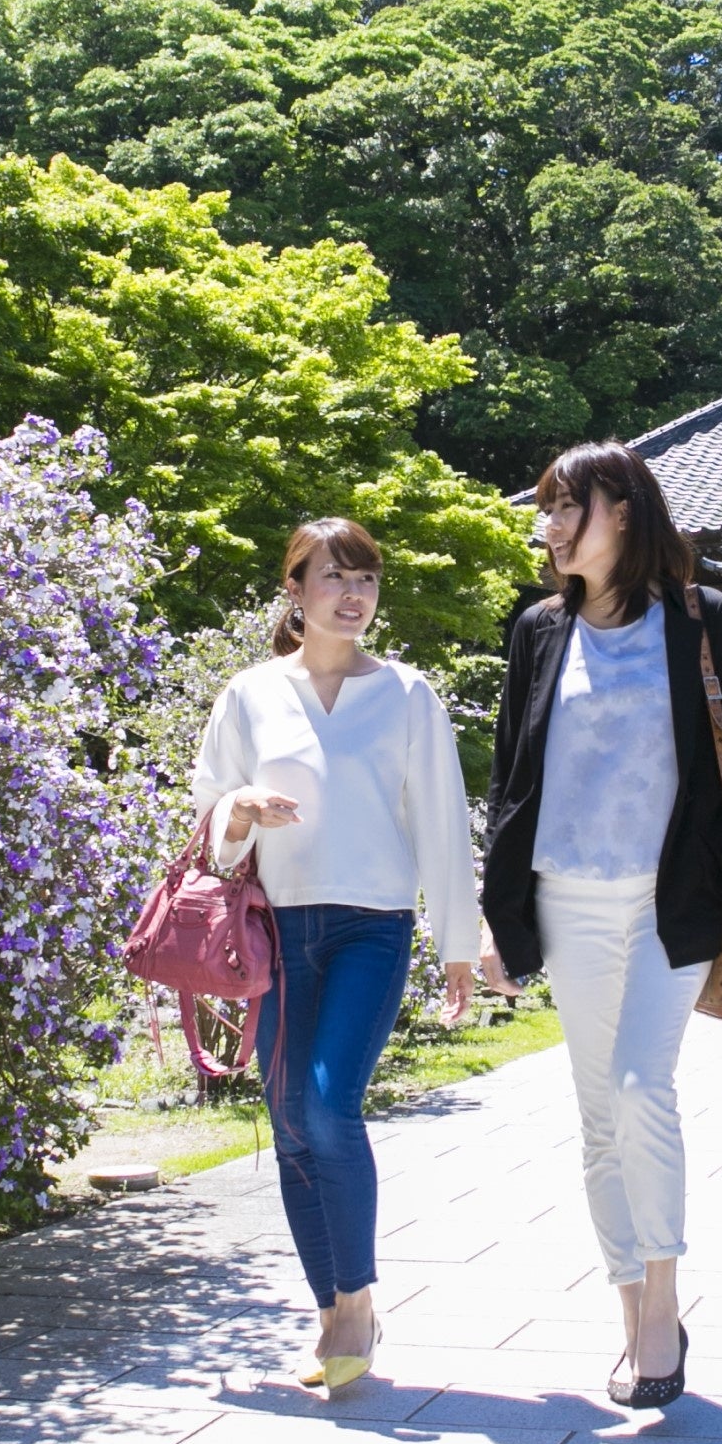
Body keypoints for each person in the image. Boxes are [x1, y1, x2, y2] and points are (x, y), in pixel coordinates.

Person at [481, 441, 722, 1412]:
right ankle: (629, 1310)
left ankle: (662, 1298)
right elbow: (508, 783)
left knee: (638, 1084)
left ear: (627, 510)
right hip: (565, 900)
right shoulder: (536, 631)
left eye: (572, 505)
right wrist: (499, 918)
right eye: (548, 508)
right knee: (597, 1118)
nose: (553, 524)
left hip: (670, 905)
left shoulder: (697, 621)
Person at [190, 518, 480, 1395]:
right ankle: (328, 1312)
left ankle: (357, 1301)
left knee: (326, 1107)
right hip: (278, 929)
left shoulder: (407, 693)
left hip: (371, 926)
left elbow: (440, 818)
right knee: (286, 1124)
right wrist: (239, 808)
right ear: (296, 590)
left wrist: (457, 946)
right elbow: (210, 818)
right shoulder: (249, 693)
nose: (353, 595)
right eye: (333, 577)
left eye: (366, 579)